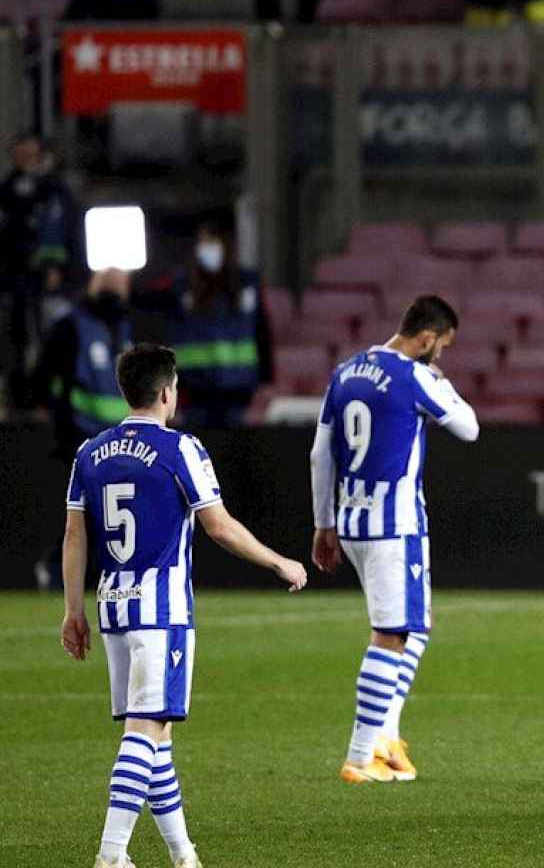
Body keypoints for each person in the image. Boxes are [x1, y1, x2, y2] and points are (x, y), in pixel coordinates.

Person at [59, 343, 307, 868]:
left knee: (157, 737)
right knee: (144, 732)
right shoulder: (180, 449)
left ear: (125, 391)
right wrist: (278, 561)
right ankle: (111, 853)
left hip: (113, 609)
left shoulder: (89, 454)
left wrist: (72, 610)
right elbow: (218, 526)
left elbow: (73, 536)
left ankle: (183, 854)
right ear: (168, 392)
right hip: (161, 611)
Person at [308, 295, 480, 783]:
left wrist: (324, 523)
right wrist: (443, 385)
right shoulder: (415, 375)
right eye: (441, 348)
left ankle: (387, 737)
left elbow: (321, 454)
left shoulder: (344, 373)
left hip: (353, 519)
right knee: (390, 634)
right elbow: (468, 428)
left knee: (415, 625)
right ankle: (362, 756)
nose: (439, 356)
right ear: (426, 339)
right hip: (394, 522)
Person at [31, 270, 135, 589]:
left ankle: (103, 580)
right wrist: (60, 418)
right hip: (81, 437)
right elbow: (41, 380)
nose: (115, 293)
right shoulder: (70, 327)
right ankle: (53, 568)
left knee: (110, 518)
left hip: (123, 442)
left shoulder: (125, 329)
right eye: (110, 286)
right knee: (82, 518)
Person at [168, 223, 274, 428]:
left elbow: (262, 331)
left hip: (238, 388)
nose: (207, 249)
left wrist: (266, 376)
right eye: (203, 243)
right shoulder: (181, 287)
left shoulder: (247, 283)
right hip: (195, 391)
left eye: (212, 242)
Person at [0, 132, 74, 388]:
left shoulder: (52, 187)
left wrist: (53, 267)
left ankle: (44, 388)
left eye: (29, 152)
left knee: (46, 330)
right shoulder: (9, 186)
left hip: (42, 275)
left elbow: (57, 229)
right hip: (15, 272)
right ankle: (21, 387)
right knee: (19, 332)